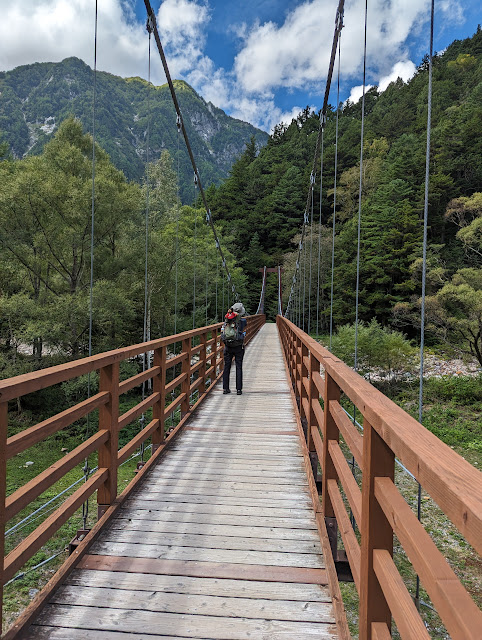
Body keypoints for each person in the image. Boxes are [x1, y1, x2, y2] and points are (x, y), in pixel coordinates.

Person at [222, 302, 247, 395]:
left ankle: (225, 389)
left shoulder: (227, 320)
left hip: (228, 346)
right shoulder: (243, 321)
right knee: (238, 367)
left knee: (226, 366)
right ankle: (239, 390)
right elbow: (244, 328)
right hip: (238, 347)